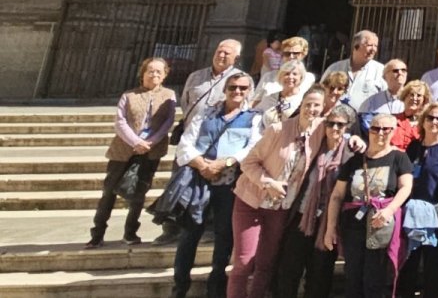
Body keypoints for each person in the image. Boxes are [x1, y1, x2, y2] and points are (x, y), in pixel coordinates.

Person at [171, 72, 263, 298]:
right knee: (190, 234)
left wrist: (225, 163)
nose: (237, 92)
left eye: (242, 88)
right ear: (225, 89)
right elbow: (186, 144)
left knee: (224, 236)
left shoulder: (253, 118)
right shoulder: (205, 113)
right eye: (233, 87)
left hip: (229, 184)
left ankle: (216, 287)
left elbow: (252, 147)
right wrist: (202, 164)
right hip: (199, 181)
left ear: (249, 91)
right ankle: (180, 286)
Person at [228, 87, 325, 298]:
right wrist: (268, 183)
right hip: (252, 201)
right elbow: (248, 162)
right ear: (301, 104)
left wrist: (356, 140)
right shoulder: (278, 130)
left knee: (266, 262)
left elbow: (343, 130)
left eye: (317, 105)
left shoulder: (320, 131)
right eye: (308, 104)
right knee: (244, 261)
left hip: (281, 207)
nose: (311, 109)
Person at [87, 57, 177, 248]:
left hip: (151, 151)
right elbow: (120, 121)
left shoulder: (169, 95)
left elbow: (168, 121)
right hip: (123, 150)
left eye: (159, 72)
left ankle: (130, 232)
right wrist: (136, 142)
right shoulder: (129, 95)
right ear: (142, 73)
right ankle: (97, 233)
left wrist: (151, 142)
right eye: (150, 71)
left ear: (164, 75)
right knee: (109, 192)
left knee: (139, 193)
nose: (154, 74)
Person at [323, 112, 414, 297]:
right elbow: (337, 195)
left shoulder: (399, 157)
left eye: (386, 129)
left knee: (375, 277)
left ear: (393, 131)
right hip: (353, 224)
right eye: (375, 128)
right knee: (353, 276)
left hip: (380, 224)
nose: (380, 133)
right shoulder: (354, 160)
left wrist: (389, 210)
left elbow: (406, 187)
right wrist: (330, 228)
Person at [273, 103, 358, 298]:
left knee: (320, 274)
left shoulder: (351, 153)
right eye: (330, 123)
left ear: (348, 127)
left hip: (330, 221)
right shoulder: (314, 145)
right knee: (289, 270)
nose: (334, 128)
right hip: (302, 216)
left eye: (340, 124)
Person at [398, 102, 438, 298]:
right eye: (430, 117)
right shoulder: (414, 146)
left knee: (434, 267)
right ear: (423, 121)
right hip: (412, 215)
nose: (434, 122)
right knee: (408, 265)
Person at [321, 30, 386, 108]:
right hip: (335, 114)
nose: (373, 49)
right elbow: (320, 93)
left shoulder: (381, 71)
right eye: (369, 45)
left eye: (376, 46)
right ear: (356, 46)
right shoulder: (335, 68)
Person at [253, 36, 312, 106]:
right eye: (287, 54)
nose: (291, 57)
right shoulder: (269, 76)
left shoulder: (309, 78)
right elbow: (255, 101)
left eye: (296, 53)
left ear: (303, 55)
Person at [255, 59, 314, 126]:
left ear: (301, 78)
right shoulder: (270, 97)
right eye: (287, 74)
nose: (290, 77)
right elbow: (257, 113)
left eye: (295, 74)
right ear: (281, 77)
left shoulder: (304, 99)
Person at [357, 59, 410, 134]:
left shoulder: (414, 101)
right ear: (385, 77)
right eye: (395, 71)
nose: (400, 73)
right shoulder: (371, 102)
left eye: (403, 70)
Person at [386, 80, 430, 150]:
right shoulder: (391, 120)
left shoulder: (427, 123)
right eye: (411, 94)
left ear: (424, 100)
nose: (414, 98)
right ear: (405, 96)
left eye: (419, 95)